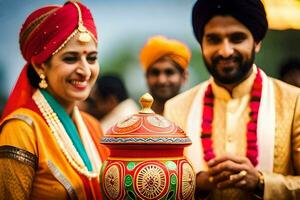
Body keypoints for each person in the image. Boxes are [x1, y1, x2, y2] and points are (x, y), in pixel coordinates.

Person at [164, 0, 300, 199]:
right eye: (213, 39)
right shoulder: (176, 108)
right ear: (201, 44)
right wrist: (196, 184)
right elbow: (165, 184)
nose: (225, 51)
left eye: (237, 38)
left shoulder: (294, 101)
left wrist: (262, 183)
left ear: (257, 42)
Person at [0, 1, 109, 199]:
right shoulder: (21, 130)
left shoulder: (93, 126)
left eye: (91, 58)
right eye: (70, 58)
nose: (85, 71)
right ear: (40, 66)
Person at [140, 35, 190, 115]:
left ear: (184, 76)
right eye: (155, 73)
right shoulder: (135, 122)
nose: (161, 80)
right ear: (146, 77)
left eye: (169, 72)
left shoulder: (194, 119)